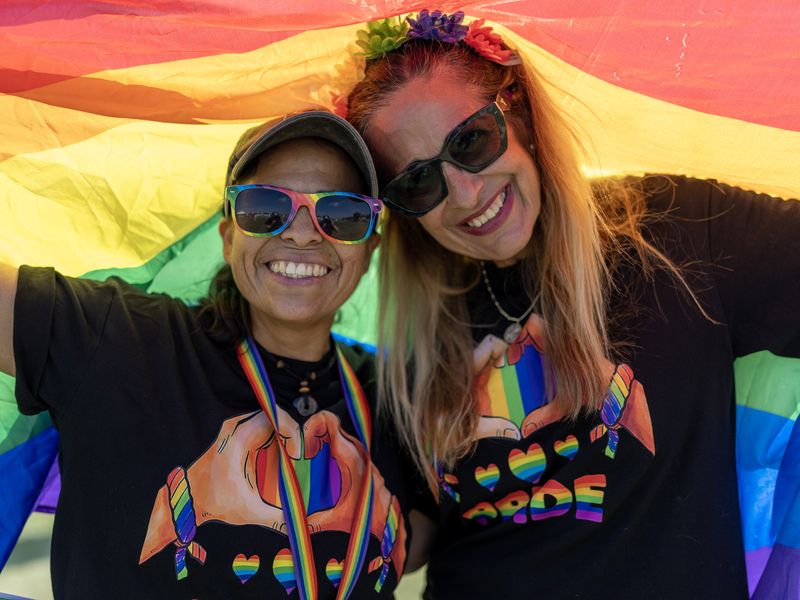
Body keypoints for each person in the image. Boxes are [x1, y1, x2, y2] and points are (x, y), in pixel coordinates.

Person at [345, 10, 800, 599]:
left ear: (522, 111)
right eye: (417, 182)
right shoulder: (420, 337)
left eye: (472, 140)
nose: (465, 192)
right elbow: (419, 524)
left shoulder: (673, 230)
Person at [0, 111, 421, 598]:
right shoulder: (120, 340)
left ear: (369, 247)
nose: (303, 234)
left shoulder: (396, 398)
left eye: (342, 214)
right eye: (266, 208)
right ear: (227, 236)